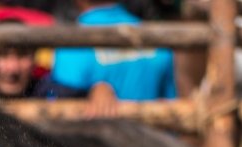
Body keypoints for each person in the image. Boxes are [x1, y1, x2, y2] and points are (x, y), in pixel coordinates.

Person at [42, 0, 176, 116]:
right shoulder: (155, 40)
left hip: (96, 143)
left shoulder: (71, 45)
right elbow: (172, 108)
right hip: (154, 143)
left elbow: (59, 109)